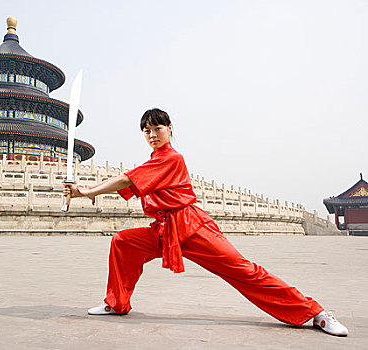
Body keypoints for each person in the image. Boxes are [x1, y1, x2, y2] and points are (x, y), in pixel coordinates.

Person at [63, 108, 349, 337]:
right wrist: (81, 191)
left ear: (170, 129)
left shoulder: (171, 158)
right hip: (165, 230)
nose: (152, 135)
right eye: (146, 131)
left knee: (245, 271)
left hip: (192, 228)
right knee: (124, 242)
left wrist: (87, 191)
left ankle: (316, 313)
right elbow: (133, 183)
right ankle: (116, 303)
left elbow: (128, 180)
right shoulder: (154, 159)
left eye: (157, 129)